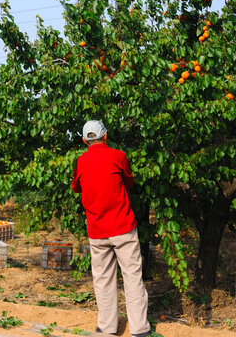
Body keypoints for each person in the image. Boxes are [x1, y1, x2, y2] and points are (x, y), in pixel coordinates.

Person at [71, 120, 151, 337]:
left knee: (103, 279)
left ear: (84, 140)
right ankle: (139, 329)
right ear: (105, 136)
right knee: (132, 277)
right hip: (123, 227)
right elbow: (129, 182)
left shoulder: (80, 162)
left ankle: (107, 328)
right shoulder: (118, 156)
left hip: (97, 230)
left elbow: (77, 188)